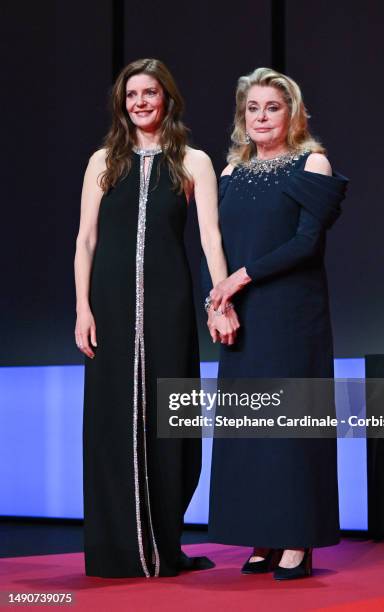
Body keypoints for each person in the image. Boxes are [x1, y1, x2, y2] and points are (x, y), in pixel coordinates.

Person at [74, 58, 239, 578]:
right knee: (111, 421)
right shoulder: (104, 160)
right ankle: (117, 548)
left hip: (168, 304)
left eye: (150, 93)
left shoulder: (194, 161)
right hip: (111, 304)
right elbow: (86, 240)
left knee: (173, 420)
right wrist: (82, 306)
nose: (140, 102)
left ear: (168, 98)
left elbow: (210, 236)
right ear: (122, 104)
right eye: (131, 95)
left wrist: (222, 296)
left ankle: (165, 543)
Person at [205, 67, 348, 580]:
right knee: (250, 429)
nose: (262, 117)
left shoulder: (313, 163)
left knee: (289, 429)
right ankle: (261, 534)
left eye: (273, 107)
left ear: (293, 113)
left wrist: (239, 279)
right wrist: (217, 304)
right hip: (241, 315)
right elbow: (214, 247)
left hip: (292, 313)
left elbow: (306, 243)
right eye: (253, 108)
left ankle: (297, 539)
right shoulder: (230, 172)